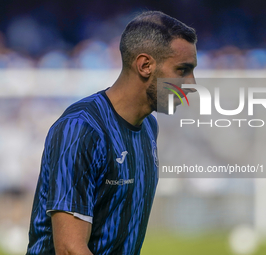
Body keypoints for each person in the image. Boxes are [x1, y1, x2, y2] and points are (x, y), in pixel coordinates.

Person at [26, 10, 197, 255]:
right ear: (145, 65)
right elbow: (69, 249)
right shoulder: (81, 128)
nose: (191, 84)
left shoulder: (149, 127)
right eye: (182, 70)